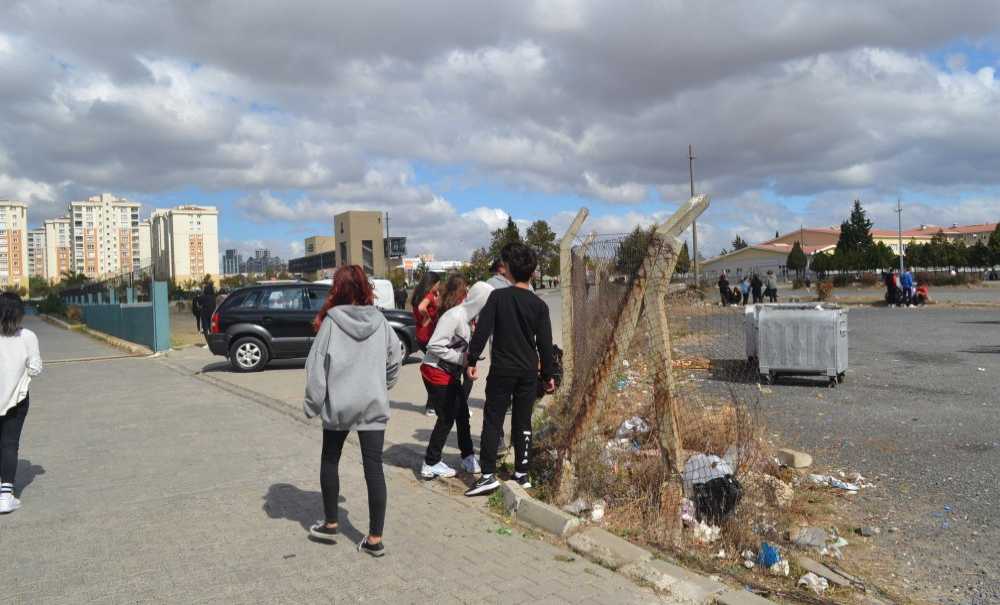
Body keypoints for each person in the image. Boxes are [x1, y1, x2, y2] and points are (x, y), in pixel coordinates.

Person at [304, 265, 402, 556]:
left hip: (340, 406)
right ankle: (375, 539)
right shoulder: (381, 322)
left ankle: (331, 523)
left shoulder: (331, 324)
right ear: (364, 288)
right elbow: (395, 359)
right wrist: (382, 385)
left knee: (330, 459)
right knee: (374, 467)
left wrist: (312, 404)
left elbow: (316, 369)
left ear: (337, 289)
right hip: (373, 403)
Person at [464, 243, 554, 497]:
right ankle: (522, 473)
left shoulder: (497, 297)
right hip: (528, 371)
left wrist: (472, 361)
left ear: (508, 270)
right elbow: (545, 345)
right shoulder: (539, 305)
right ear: (533, 272)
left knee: (493, 419)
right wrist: (547, 376)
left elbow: (482, 332)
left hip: (502, 370)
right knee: (523, 421)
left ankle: (488, 475)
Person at [420, 281, 494, 480]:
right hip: (435, 371)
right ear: (480, 301)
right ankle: (430, 462)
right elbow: (434, 345)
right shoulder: (454, 316)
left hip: (449, 372)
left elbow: (463, 349)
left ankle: (467, 456)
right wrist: (463, 360)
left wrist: (468, 364)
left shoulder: (470, 319)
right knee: (447, 416)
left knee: (461, 414)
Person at [0, 293, 43, 514]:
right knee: (9, 443)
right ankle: (6, 495)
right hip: (16, 399)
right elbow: (35, 368)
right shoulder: (27, 336)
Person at [411, 271, 442, 416]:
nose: (439, 286)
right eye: (438, 284)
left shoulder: (418, 295)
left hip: (420, 336)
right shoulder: (428, 295)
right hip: (428, 336)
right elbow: (421, 308)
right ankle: (431, 405)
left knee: (432, 368)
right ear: (432, 283)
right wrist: (428, 317)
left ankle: (432, 404)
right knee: (434, 370)